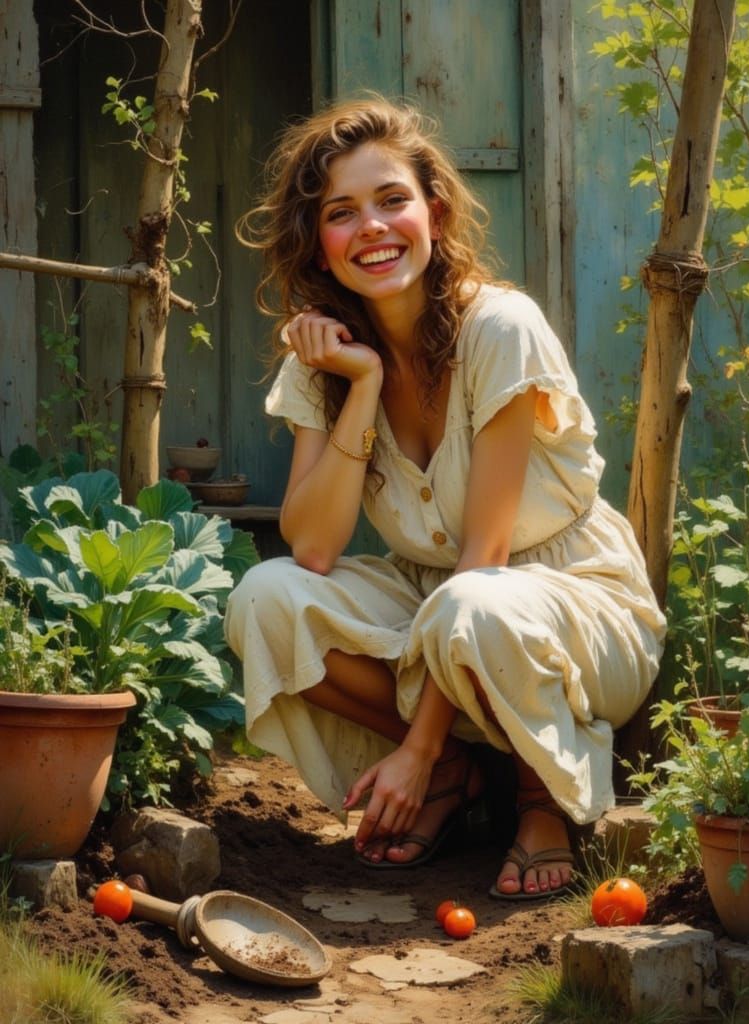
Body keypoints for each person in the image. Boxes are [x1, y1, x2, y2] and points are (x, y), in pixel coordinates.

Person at [225, 95, 666, 901]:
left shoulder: (501, 328)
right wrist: (359, 387)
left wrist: (415, 745)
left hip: (569, 606)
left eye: (392, 200)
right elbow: (313, 550)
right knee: (264, 600)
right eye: (341, 213)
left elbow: (486, 559)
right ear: (318, 247)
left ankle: (541, 798)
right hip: (443, 601)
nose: (373, 228)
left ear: (433, 211)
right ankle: (458, 772)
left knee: (476, 605)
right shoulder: (323, 356)